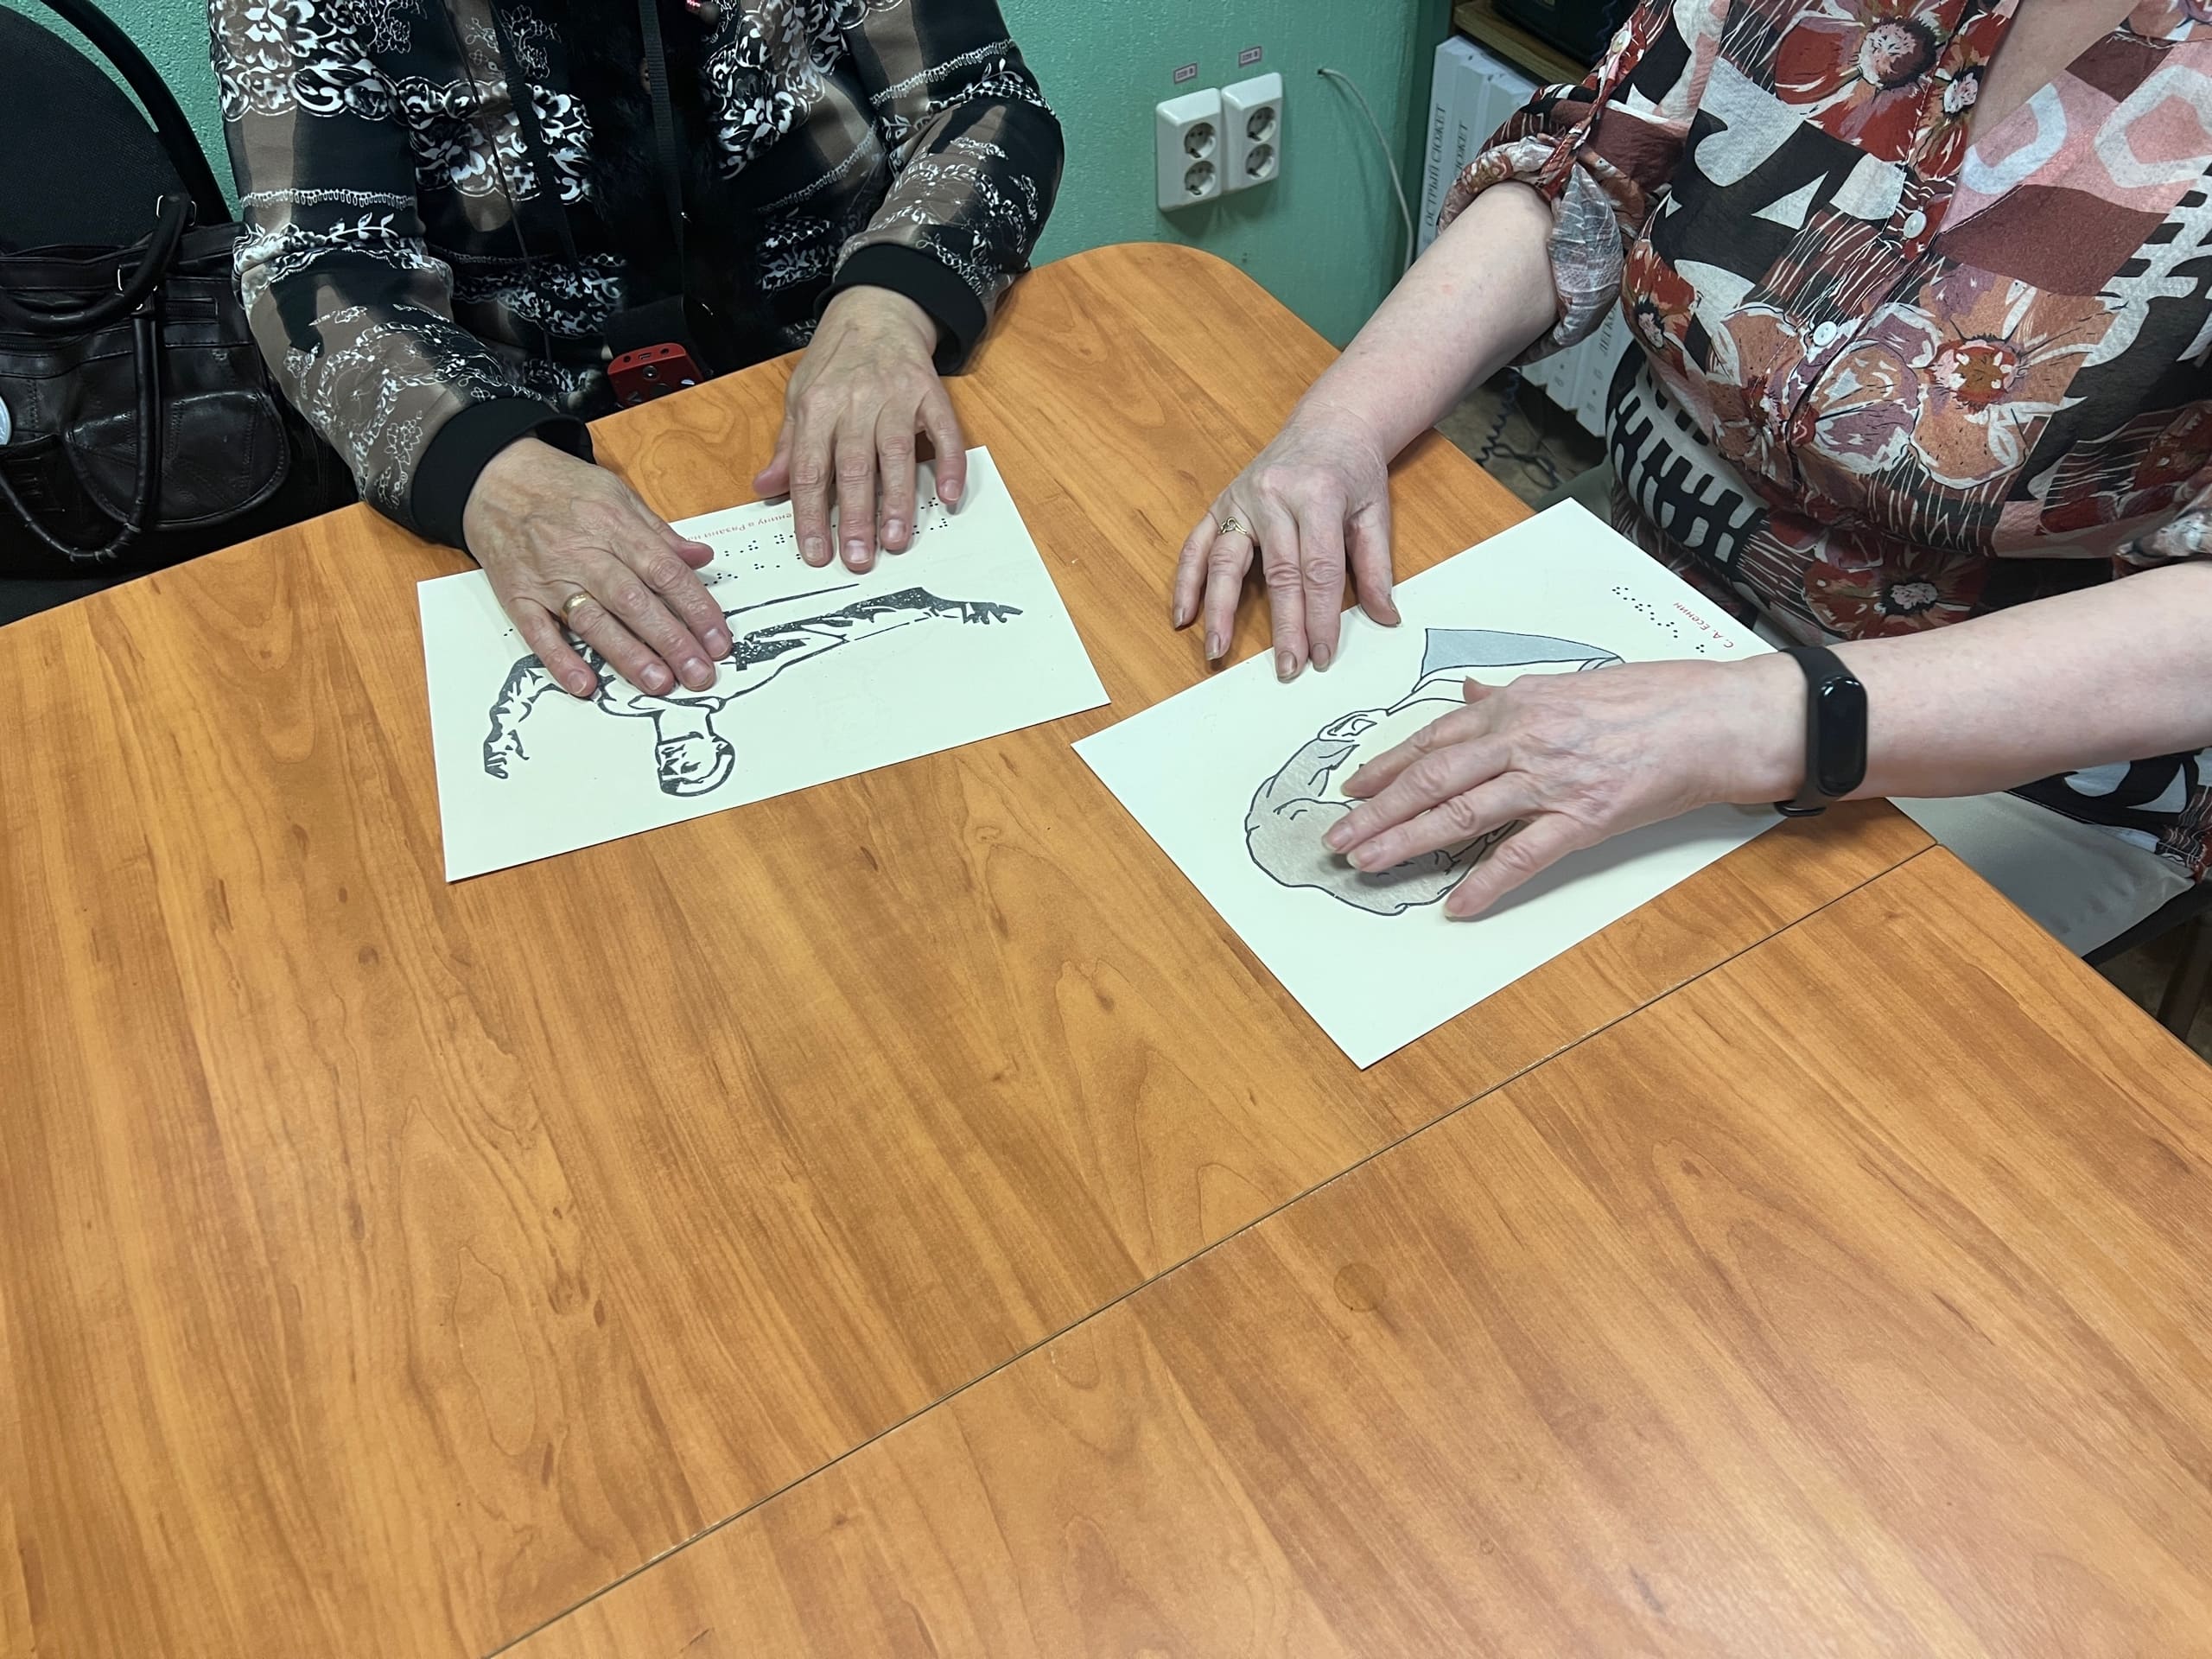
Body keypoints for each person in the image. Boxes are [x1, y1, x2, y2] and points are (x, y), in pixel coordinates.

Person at [1176, 0, 2212, 952]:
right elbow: (1592, 171)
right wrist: (1340, 425)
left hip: (2008, 735)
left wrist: (1739, 723)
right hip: (1644, 558)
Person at [213, 0, 1060, 700]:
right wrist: (484, 467)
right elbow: (313, 265)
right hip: (532, 435)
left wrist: (890, 303)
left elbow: (980, 96)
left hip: (859, 350)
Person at [481, 583, 1018, 792]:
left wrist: (502, 733)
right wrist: (943, 606)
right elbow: (836, 627)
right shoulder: (738, 675)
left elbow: (531, 671)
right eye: (694, 770)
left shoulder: (617, 706)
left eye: (672, 777)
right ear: (719, 747)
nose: (675, 769)